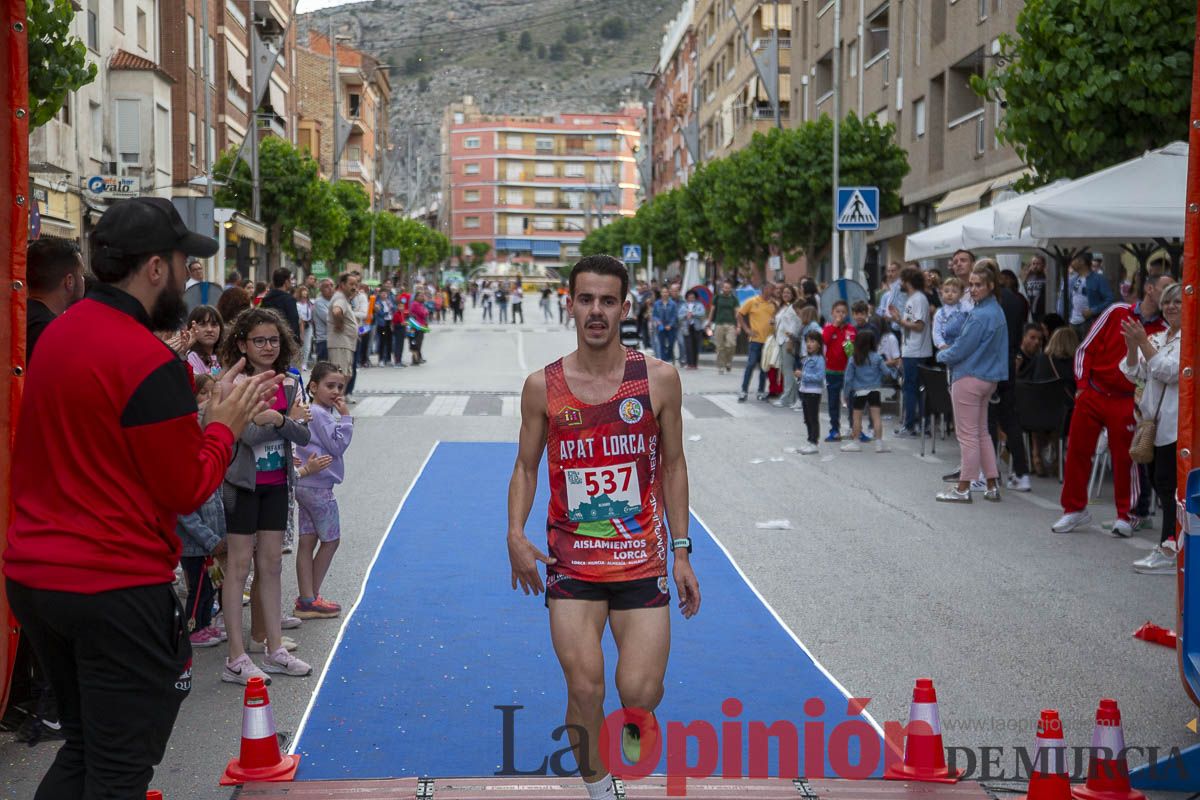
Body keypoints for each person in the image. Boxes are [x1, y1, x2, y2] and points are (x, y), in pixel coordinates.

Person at [5, 196, 277, 797]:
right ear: (155, 268)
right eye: (184, 263)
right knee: (120, 769)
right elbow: (186, 487)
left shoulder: (56, 335)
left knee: (85, 751)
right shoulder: (148, 360)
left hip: (36, 576)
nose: (190, 277)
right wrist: (223, 428)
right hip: (112, 585)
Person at [506, 254, 699, 800]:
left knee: (639, 691)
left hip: (642, 559)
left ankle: (637, 718)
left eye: (608, 301)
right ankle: (599, 787)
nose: (596, 311)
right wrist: (515, 534)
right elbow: (525, 466)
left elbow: (674, 465)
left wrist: (681, 551)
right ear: (569, 304)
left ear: (624, 307)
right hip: (573, 565)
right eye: (586, 299)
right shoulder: (542, 387)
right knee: (585, 686)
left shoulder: (658, 380)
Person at [217, 307, 314, 683]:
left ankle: (274, 648)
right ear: (242, 343)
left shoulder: (290, 381)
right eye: (259, 340)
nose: (268, 346)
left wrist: (274, 419)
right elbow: (246, 435)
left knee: (272, 564)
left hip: (276, 484)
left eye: (274, 340)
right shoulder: (233, 384)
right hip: (242, 486)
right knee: (239, 568)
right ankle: (236, 657)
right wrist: (283, 421)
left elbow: (306, 435)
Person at [1121, 283, 1183, 574]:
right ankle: (1168, 544)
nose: (1171, 306)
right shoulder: (1160, 336)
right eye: (1167, 301)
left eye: (1178, 302)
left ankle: (1170, 548)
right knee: (1159, 484)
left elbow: (1169, 372)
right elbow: (1135, 371)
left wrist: (1143, 343)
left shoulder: (1189, 340)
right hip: (1153, 426)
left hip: (1175, 426)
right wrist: (1134, 346)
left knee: (1169, 487)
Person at [934, 261, 1008, 503]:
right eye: (972, 285)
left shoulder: (979, 315)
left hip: (969, 376)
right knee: (982, 433)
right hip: (988, 377)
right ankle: (991, 484)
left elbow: (961, 349)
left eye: (978, 285)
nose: (973, 289)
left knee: (967, 435)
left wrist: (941, 355)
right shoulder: (996, 311)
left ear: (990, 285)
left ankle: (964, 488)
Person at [294, 362, 355, 617]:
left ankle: (307, 597)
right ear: (313, 386)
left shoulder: (312, 411)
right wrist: (347, 418)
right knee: (331, 540)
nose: (336, 392)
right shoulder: (320, 413)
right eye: (330, 386)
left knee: (307, 540)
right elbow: (337, 445)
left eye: (340, 387)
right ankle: (310, 598)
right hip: (319, 488)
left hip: (305, 484)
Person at [177, 373, 228, 649]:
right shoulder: (185, 463)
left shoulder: (211, 462)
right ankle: (194, 626)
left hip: (210, 542)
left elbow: (217, 500)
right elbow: (185, 513)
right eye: (203, 394)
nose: (208, 401)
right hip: (194, 545)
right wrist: (210, 539)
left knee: (211, 585)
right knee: (198, 588)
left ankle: (206, 623)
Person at [24, 238, 85, 364]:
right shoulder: (52, 334)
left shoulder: (16, 319)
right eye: (81, 274)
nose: (84, 279)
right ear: (69, 281)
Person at [840, 328, 898, 454]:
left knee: (857, 418)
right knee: (876, 417)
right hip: (874, 390)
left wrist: (845, 393)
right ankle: (879, 444)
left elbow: (848, 378)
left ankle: (855, 442)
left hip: (859, 391)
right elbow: (887, 372)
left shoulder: (854, 358)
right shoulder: (877, 358)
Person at [890, 267, 932, 437]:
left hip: (916, 352)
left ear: (908, 281)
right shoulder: (913, 299)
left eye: (902, 279)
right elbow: (910, 322)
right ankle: (919, 424)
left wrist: (899, 321)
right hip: (911, 350)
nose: (900, 283)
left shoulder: (918, 299)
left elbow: (919, 325)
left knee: (911, 388)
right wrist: (899, 319)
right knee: (913, 388)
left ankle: (912, 425)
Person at [821, 299, 857, 440]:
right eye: (837, 311)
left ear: (847, 313)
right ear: (832, 313)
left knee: (851, 401)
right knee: (833, 401)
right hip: (832, 371)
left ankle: (854, 427)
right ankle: (835, 429)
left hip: (848, 372)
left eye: (843, 312)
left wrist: (848, 344)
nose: (840, 314)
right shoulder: (828, 327)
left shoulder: (851, 329)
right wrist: (834, 326)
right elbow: (824, 340)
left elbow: (851, 351)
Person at [736, 283, 776, 402]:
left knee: (764, 367)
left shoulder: (773, 304)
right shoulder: (752, 301)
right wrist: (747, 329)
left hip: (768, 341)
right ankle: (744, 390)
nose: (773, 291)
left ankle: (760, 391)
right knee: (750, 365)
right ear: (764, 289)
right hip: (755, 340)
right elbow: (740, 314)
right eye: (771, 289)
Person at [794, 331, 826, 454]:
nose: (809, 344)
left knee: (813, 418)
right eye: (807, 341)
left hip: (813, 392)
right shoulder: (808, 358)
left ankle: (814, 443)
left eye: (812, 341)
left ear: (819, 344)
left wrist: (803, 375)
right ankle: (809, 441)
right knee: (807, 418)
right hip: (805, 391)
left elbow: (819, 377)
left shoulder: (819, 359)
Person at [327, 273, 359, 393]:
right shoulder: (340, 298)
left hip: (345, 343)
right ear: (342, 285)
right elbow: (336, 311)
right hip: (340, 343)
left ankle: (339, 399)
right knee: (340, 375)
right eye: (351, 284)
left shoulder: (344, 298)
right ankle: (336, 400)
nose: (354, 287)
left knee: (346, 374)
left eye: (356, 284)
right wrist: (339, 324)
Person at [772, 285, 804, 408]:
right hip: (780, 340)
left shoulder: (793, 307)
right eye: (784, 292)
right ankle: (791, 398)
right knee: (786, 371)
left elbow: (796, 323)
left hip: (787, 340)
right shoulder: (783, 307)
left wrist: (791, 339)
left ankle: (786, 398)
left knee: (788, 370)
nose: (785, 294)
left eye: (788, 293)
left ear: (793, 294)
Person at [259, 268, 301, 345]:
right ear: (286, 282)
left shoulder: (266, 299)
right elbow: (293, 322)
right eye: (290, 280)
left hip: (269, 340)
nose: (291, 282)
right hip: (286, 342)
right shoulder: (289, 299)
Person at [706, 279, 739, 373]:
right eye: (724, 287)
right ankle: (721, 366)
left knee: (731, 344)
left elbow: (737, 312)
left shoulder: (734, 299)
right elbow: (712, 310)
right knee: (719, 346)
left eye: (728, 288)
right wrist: (709, 321)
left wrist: (739, 325)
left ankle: (728, 361)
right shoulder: (717, 298)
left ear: (731, 289)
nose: (726, 289)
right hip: (719, 324)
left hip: (730, 324)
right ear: (722, 288)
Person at [186, 304, 224, 377]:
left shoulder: (225, 356)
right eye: (203, 325)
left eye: (214, 325)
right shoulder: (191, 358)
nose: (209, 329)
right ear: (192, 328)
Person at [933, 277, 967, 351]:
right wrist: (942, 345)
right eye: (946, 291)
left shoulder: (966, 308)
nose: (950, 294)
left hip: (965, 345)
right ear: (941, 292)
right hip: (947, 348)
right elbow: (936, 333)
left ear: (961, 294)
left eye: (954, 292)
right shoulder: (939, 313)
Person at [679, 289, 706, 370]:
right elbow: (679, 316)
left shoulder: (699, 305)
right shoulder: (683, 306)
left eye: (693, 297)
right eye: (689, 297)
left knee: (696, 346)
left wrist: (693, 314)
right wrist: (686, 315)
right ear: (687, 298)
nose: (691, 299)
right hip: (686, 328)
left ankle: (695, 363)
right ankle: (689, 363)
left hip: (697, 327)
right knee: (688, 346)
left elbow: (702, 313)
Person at [375, 281, 396, 366]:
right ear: (380, 294)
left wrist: (392, 308)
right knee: (382, 341)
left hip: (389, 323)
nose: (384, 295)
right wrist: (387, 312)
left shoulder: (389, 302)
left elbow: (394, 309)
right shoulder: (378, 303)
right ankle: (381, 359)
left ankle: (388, 359)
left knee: (389, 341)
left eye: (385, 294)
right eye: (382, 294)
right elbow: (380, 313)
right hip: (382, 324)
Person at [313, 277, 333, 363]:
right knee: (323, 370)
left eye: (332, 285)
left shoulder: (335, 300)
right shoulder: (319, 302)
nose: (330, 288)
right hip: (324, 340)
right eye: (326, 286)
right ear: (320, 289)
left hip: (335, 340)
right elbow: (329, 319)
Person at [409, 288, 430, 365]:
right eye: (421, 296)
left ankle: (418, 357)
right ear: (416, 297)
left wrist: (425, 311)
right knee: (417, 342)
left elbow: (426, 312)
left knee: (419, 342)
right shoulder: (415, 304)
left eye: (423, 295)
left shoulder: (421, 304)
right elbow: (423, 313)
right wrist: (425, 311)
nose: (422, 297)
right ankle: (415, 359)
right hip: (416, 325)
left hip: (421, 325)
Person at [295, 284, 314, 366]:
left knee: (308, 346)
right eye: (303, 291)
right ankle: (299, 361)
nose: (305, 293)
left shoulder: (310, 303)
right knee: (300, 345)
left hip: (309, 325)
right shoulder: (297, 304)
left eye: (306, 291)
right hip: (300, 325)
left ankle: (304, 363)